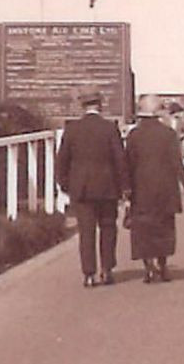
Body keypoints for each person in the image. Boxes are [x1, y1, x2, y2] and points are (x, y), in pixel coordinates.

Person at [55, 92, 129, 286]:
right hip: (107, 187)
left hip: (81, 188)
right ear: (100, 105)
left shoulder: (72, 129)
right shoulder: (109, 128)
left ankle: (89, 274)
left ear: (82, 106)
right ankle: (107, 269)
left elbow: (62, 160)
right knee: (108, 228)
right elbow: (120, 160)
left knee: (86, 231)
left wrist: (65, 184)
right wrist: (125, 187)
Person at [125, 95, 184, 283]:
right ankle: (163, 267)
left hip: (141, 190)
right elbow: (176, 162)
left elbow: (127, 164)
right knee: (164, 229)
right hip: (166, 190)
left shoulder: (134, 135)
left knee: (143, 230)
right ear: (157, 113)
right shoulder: (168, 134)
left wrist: (126, 189)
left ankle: (148, 268)